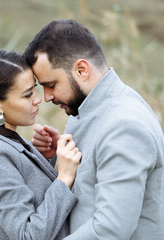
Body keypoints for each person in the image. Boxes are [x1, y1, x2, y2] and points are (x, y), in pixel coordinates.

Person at [23, 19, 164, 239]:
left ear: (81, 70)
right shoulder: (86, 108)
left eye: (51, 85)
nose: (47, 97)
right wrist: (57, 158)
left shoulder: (125, 126)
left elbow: (110, 230)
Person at [0, 48, 82, 240]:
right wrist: (64, 179)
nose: (38, 99)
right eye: (27, 95)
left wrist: (51, 157)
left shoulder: (6, 141)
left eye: (34, 89)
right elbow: (26, 236)